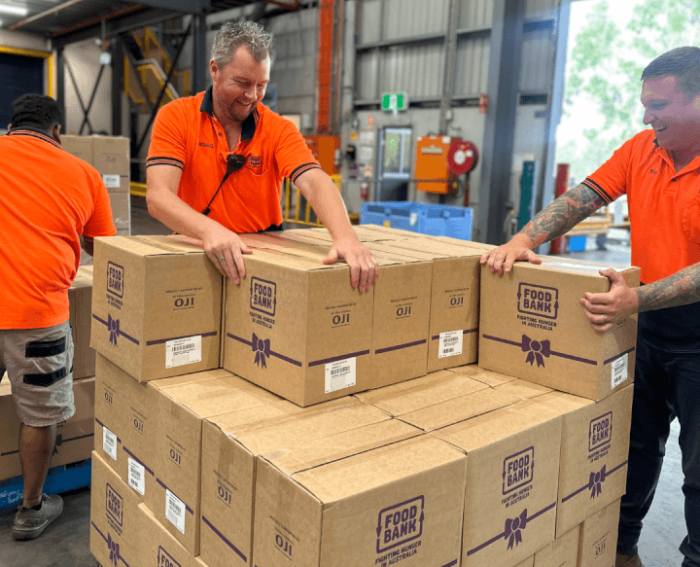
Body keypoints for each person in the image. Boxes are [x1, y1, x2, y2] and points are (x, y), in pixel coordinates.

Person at [481, 46, 700, 567]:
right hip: (644, 326)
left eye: (659, 105)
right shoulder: (641, 149)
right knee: (636, 446)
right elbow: (583, 196)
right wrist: (522, 240)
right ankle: (618, 548)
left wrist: (637, 297)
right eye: (644, 104)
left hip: (690, 333)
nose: (647, 116)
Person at [146, 21, 379, 291]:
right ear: (215, 70)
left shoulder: (278, 129)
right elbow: (158, 197)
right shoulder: (177, 117)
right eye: (242, 83)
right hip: (195, 250)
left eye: (261, 85)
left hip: (262, 259)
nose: (252, 96)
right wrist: (208, 230)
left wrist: (345, 237)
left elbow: (313, 181)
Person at [0, 94, 116, 540]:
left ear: (12, 126)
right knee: (39, 416)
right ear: (57, 133)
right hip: (37, 315)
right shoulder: (82, 173)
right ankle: (30, 509)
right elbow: (101, 248)